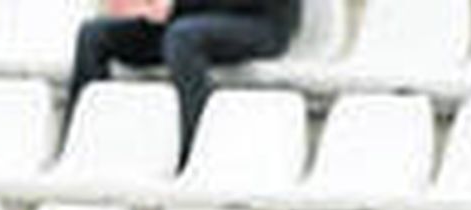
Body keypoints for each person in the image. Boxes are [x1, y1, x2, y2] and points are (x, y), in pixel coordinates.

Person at [66, 0, 301, 164]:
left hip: (259, 22)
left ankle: (195, 153)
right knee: (93, 35)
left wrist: (175, 4)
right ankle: (82, 146)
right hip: (186, 19)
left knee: (183, 38)